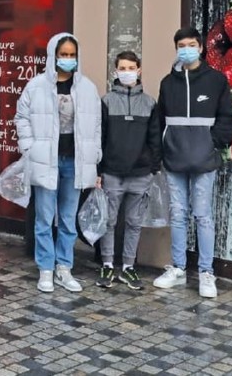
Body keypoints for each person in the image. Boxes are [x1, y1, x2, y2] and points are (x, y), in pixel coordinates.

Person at [15, 33, 102, 293]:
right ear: (53, 55)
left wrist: (94, 155)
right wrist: (29, 146)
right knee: (44, 217)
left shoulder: (87, 88)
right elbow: (22, 117)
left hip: (74, 162)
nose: (67, 59)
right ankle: (45, 269)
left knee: (67, 218)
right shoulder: (36, 85)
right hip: (46, 160)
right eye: (62, 54)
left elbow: (96, 126)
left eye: (71, 55)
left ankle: (64, 267)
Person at [152, 27, 232, 298]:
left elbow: (226, 117)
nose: (185, 49)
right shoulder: (167, 83)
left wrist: (214, 143)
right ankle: (178, 269)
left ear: (200, 47)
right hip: (174, 158)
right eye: (180, 45)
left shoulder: (216, 80)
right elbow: (160, 120)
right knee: (177, 214)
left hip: (204, 160)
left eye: (190, 44)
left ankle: (206, 273)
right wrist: (161, 151)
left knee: (203, 215)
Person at [95, 51, 162, 290]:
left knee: (134, 222)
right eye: (122, 68)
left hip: (141, 173)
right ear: (115, 71)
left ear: (139, 70)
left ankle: (128, 267)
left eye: (131, 67)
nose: (126, 72)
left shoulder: (150, 102)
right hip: (113, 172)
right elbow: (100, 137)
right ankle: (107, 264)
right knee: (109, 221)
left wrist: (153, 167)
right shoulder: (106, 101)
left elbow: (155, 139)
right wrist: (98, 170)